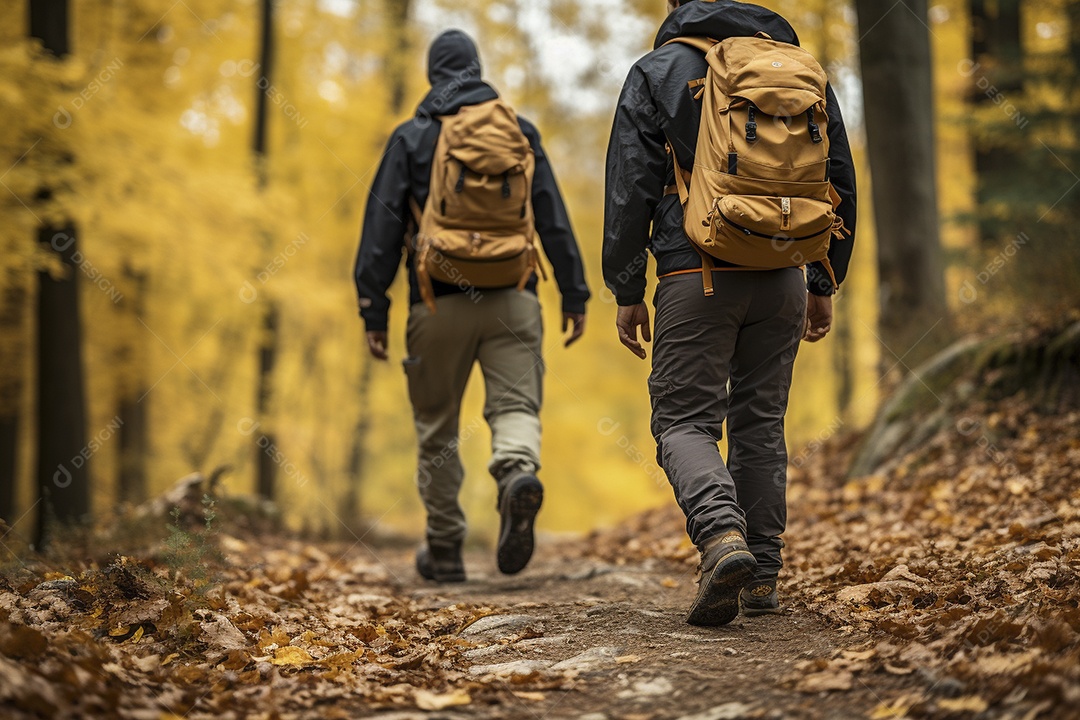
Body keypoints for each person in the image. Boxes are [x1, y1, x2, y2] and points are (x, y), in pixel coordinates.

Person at [603, 0, 856, 624]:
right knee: (760, 423)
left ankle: (721, 538)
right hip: (784, 274)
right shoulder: (800, 69)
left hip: (697, 273)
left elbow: (630, 182)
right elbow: (838, 178)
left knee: (683, 422)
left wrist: (627, 287)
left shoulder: (657, 71)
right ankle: (762, 575)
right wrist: (824, 276)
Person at [354, 30, 590, 582]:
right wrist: (575, 293)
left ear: (433, 76)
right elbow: (552, 217)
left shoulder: (412, 137)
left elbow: (380, 234)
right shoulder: (519, 132)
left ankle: (445, 549)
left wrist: (373, 310)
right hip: (515, 297)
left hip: (437, 304)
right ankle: (514, 476)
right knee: (515, 408)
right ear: (478, 71)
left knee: (437, 427)